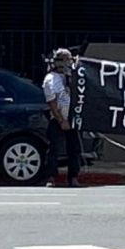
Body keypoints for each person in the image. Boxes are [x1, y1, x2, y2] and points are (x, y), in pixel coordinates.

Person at [42, 48, 81, 188]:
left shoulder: (74, 76)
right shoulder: (51, 79)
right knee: (54, 149)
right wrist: (61, 120)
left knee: (74, 149)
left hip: (73, 119)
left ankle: (73, 177)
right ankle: (51, 176)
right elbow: (51, 102)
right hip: (58, 119)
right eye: (66, 59)